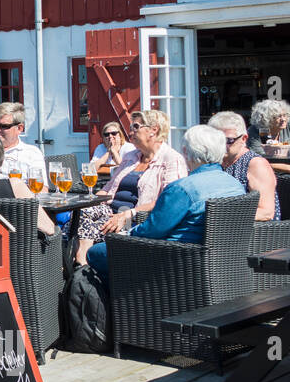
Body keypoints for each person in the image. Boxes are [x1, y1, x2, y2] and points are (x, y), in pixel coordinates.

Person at [86, 125, 245, 279]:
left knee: (95, 253)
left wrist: (125, 235)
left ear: (186, 153)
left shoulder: (183, 189)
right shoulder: (235, 185)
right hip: (219, 266)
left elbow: (152, 231)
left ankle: (121, 300)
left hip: (170, 263)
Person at [75, 109, 188, 265]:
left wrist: (128, 213)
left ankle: (81, 266)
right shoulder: (130, 157)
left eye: (135, 127)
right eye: (130, 128)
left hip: (135, 219)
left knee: (74, 230)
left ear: (153, 130)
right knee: (79, 213)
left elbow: (168, 201)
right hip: (110, 211)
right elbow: (109, 188)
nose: (129, 132)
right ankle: (83, 264)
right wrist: (90, 200)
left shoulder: (171, 159)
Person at [210, 111, 279, 221]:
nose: (221, 145)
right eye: (215, 140)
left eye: (228, 140)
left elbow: (266, 212)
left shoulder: (255, 164)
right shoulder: (215, 161)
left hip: (253, 232)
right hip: (222, 229)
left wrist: (220, 214)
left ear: (243, 139)